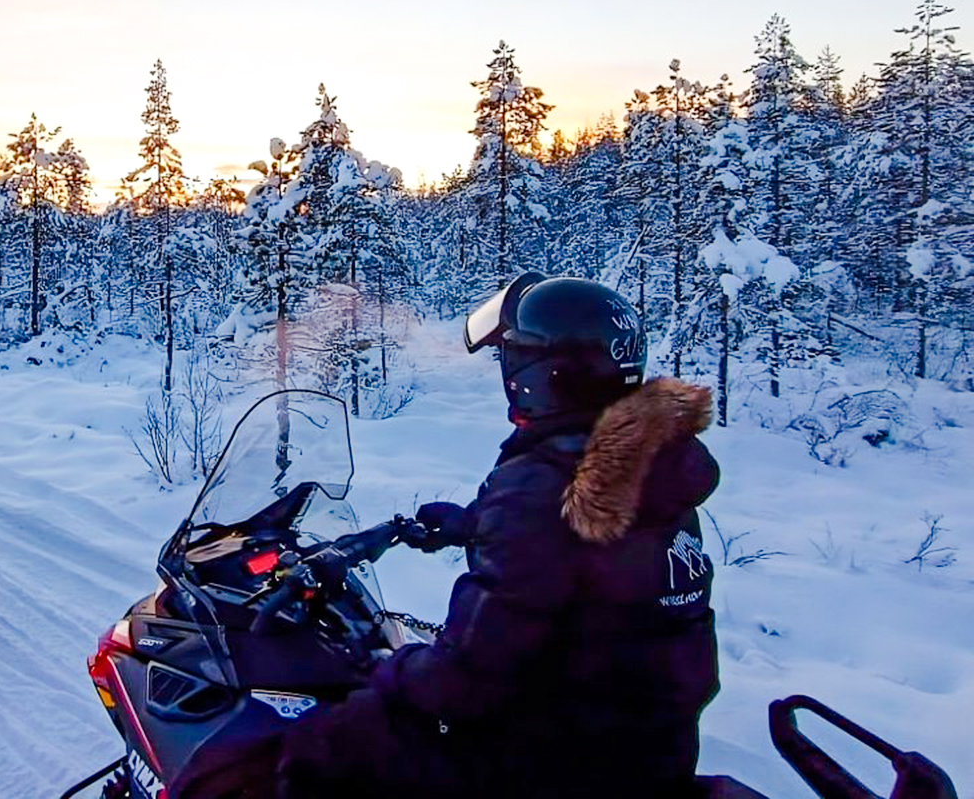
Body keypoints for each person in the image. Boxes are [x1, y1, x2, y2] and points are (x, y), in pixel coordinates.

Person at [174, 273, 721, 799]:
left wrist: (390, 674)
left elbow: (467, 679)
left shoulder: (539, 489)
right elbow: (585, 557)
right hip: (642, 747)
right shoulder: (653, 466)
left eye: (514, 356)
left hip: (553, 758)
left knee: (318, 745)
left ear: (545, 374)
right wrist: (472, 524)